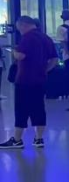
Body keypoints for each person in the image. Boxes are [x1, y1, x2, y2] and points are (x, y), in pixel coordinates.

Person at [0, 15, 59, 150]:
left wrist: (14, 52)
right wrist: (45, 70)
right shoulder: (46, 38)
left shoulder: (27, 38)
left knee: (21, 109)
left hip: (24, 79)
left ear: (23, 25)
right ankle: (39, 139)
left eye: (19, 28)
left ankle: (17, 140)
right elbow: (54, 59)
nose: (19, 31)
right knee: (39, 108)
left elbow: (21, 56)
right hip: (40, 80)